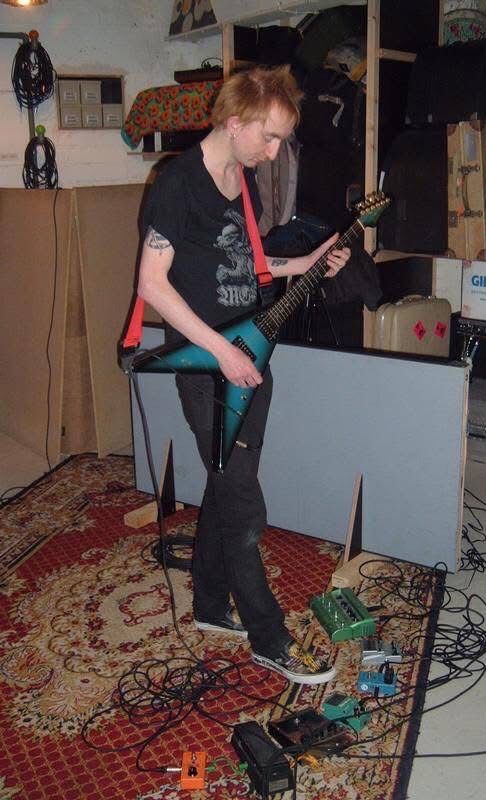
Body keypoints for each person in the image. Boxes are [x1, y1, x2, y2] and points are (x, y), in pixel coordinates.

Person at [138, 65, 350, 685]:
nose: (275, 152)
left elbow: (246, 263)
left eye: (282, 139)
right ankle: (269, 636)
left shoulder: (244, 180)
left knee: (228, 482)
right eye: (269, 136)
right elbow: (152, 285)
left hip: (251, 356)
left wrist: (305, 263)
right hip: (207, 365)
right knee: (243, 502)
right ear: (234, 123)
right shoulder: (178, 184)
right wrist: (221, 352)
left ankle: (209, 603)